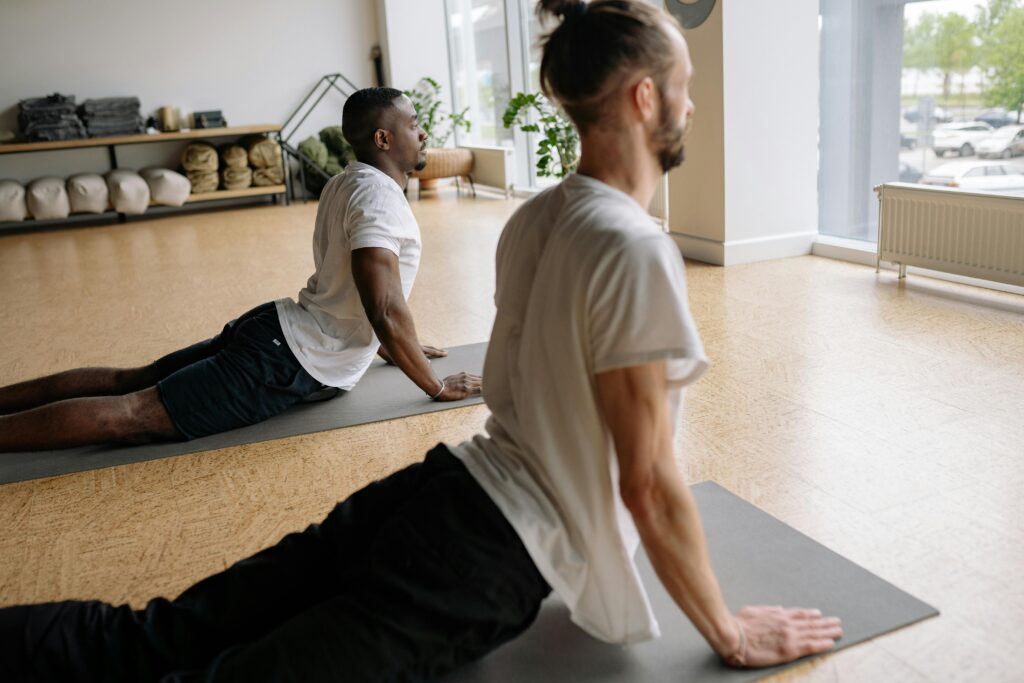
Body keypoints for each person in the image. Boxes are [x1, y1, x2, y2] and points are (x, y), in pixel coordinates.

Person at [0, 1, 843, 680]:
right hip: (484, 554)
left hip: (435, 489)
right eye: (685, 84)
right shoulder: (635, 248)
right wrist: (727, 629)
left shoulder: (538, 216)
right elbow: (649, 482)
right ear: (643, 97)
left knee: (155, 634)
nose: (692, 102)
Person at [0, 87, 481, 452]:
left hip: (276, 328)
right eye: (414, 123)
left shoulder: (349, 181)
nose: (423, 132)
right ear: (384, 138)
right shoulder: (379, 198)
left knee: (128, 381)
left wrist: (394, 349)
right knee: (131, 413)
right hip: (284, 360)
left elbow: (355, 293)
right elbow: (383, 306)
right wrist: (435, 385)